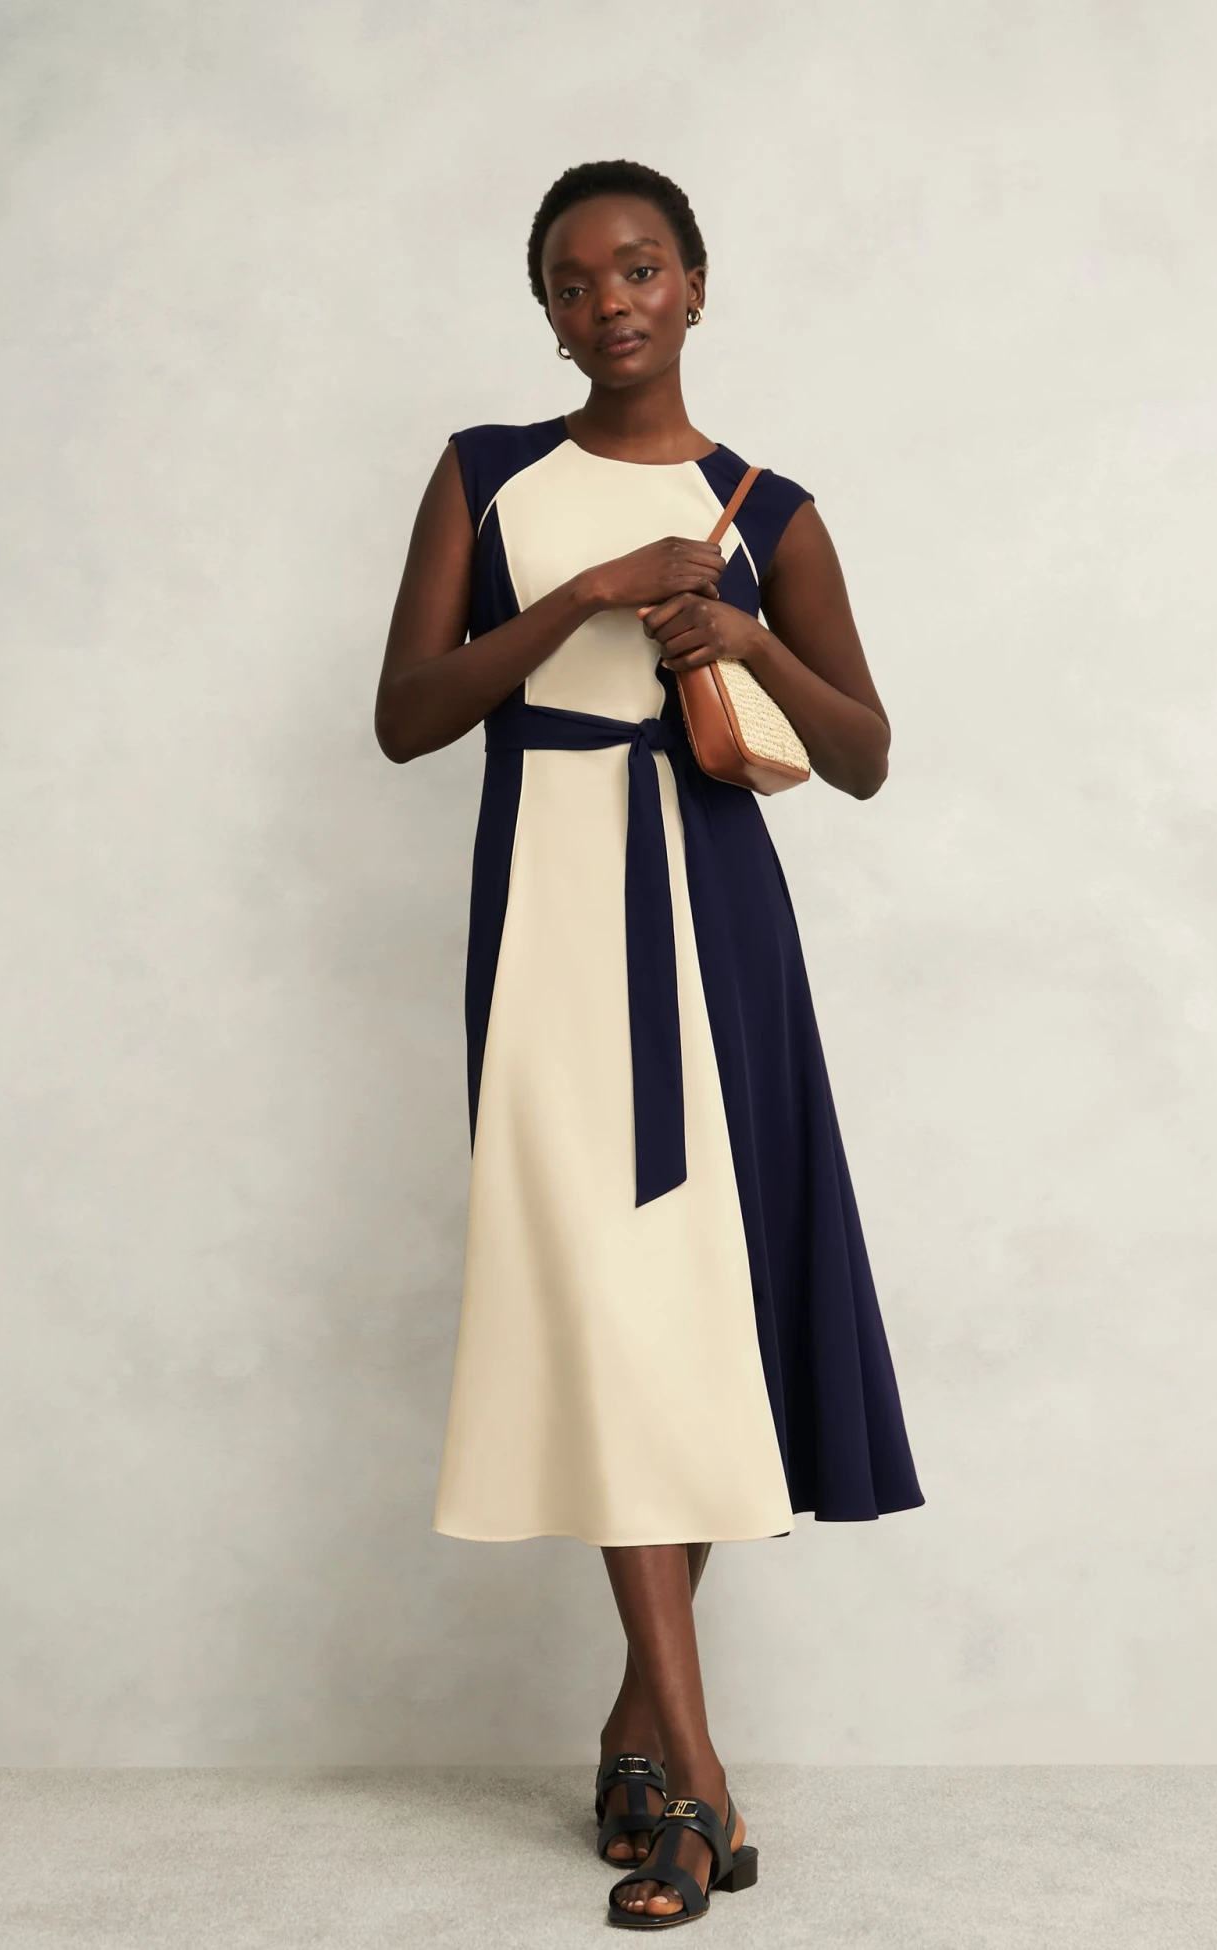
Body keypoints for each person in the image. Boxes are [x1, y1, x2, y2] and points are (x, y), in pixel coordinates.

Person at [376, 158, 925, 1930]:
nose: (607, 300)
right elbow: (406, 716)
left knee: (706, 1318)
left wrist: (743, 628)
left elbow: (864, 754)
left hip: (716, 923)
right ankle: (700, 1778)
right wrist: (584, 596)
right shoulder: (486, 475)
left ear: (695, 282)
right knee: (612, 1309)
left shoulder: (771, 507)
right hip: (548, 921)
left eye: (637, 268)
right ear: (545, 310)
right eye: (571, 278)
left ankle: (641, 1741)